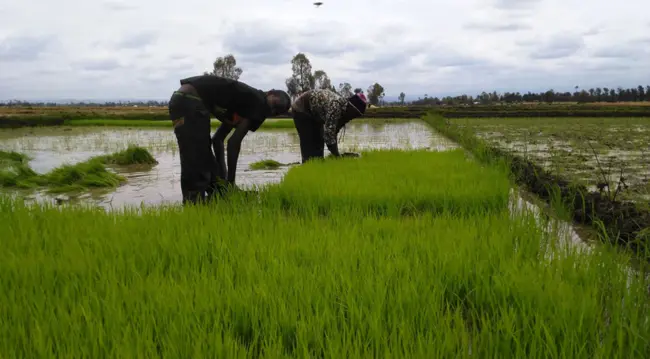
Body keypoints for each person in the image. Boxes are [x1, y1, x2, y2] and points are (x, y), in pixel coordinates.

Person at [168, 74, 291, 204]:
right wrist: (231, 183)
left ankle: (218, 195)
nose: (271, 110)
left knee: (207, 166)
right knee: (196, 161)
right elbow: (233, 143)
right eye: (274, 104)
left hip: (181, 100)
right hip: (190, 101)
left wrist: (223, 177)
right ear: (270, 93)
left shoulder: (242, 102)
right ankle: (193, 209)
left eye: (276, 112)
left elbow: (218, 140)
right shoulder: (259, 102)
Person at [290, 89, 368, 163]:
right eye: (355, 114)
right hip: (301, 110)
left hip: (314, 113)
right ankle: (307, 164)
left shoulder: (345, 112)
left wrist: (336, 153)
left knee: (319, 141)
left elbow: (333, 132)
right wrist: (337, 156)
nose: (353, 117)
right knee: (308, 141)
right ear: (351, 108)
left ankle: (318, 163)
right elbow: (329, 135)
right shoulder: (335, 106)